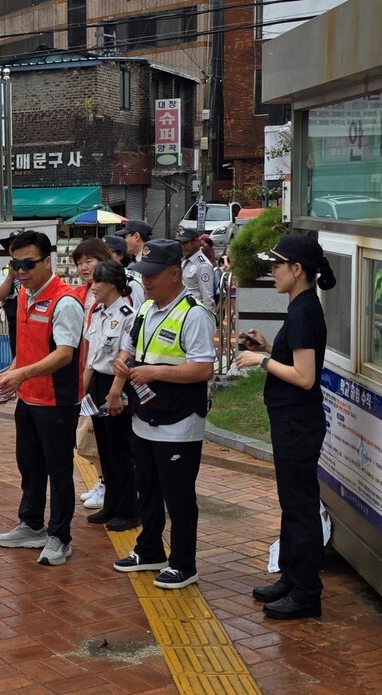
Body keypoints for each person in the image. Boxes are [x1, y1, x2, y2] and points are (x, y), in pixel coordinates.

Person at [235, 235, 336, 619]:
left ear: (297, 270)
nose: (271, 272)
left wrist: (260, 362)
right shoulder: (300, 308)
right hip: (291, 420)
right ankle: (292, 578)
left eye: (277, 265)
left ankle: (307, 592)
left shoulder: (305, 312)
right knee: (292, 504)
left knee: (301, 507)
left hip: (298, 423)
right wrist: (268, 348)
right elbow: (294, 357)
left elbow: (305, 376)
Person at [111, 238, 216, 589]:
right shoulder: (144, 310)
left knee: (179, 496)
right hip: (145, 416)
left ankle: (184, 563)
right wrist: (123, 364)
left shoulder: (194, 314)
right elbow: (129, 350)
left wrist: (153, 372)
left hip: (179, 422)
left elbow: (202, 370)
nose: (147, 280)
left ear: (175, 274)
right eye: (143, 273)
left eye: (154, 274)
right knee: (148, 490)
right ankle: (149, 550)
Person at [0, 230, 84, 567]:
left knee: (59, 471)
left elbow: (63, 354)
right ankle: (31, 524)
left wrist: (21, 375)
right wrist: (11, 372)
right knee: (29, 466)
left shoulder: (66, 301)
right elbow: (29, 349)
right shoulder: (24, 296)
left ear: (48, 261)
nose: (21, 270)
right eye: (15, 264)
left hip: (56, 401)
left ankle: (59, 537)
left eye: (28, 263)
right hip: (28, 399)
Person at [83, 260, 140, 532]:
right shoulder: (97, 312)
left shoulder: (129, 314)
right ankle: (112, 504)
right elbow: (91, 358)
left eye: (98, 281)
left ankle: (129, 510)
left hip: (117, 384)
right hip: (97, 382)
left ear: (114, 285)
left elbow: (125, 357)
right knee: (104, 449)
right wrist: (82, 389)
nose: (92, 287)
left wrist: (116, 392)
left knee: (120, 450)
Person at [71, 237, 112, 511]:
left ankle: (109, 485)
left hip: (104, 373)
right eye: (80, 263)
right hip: (85, 368)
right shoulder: (81, 293)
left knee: (95, 433)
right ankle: (103, 482)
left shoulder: (117, 292)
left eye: (90, 260)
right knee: (89, 435)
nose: (85, 267)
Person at [0, 230, 22, 358]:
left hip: (35, 318)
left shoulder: (35, 267)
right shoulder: (5, 271)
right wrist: (10, 277)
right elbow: (0, 295)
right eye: (13, 246)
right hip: (15, 320)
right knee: (17, 354)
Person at [177, 227, 217, 308]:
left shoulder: (203, 265)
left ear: (196, 242)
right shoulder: (184, 260)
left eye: (185, 243)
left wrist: (207, 317)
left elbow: (207, 297)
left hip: (194, 311)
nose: (182, 247)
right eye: (181, 243)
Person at [103, 234, 145, 308]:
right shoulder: (99, 280)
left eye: (107, 253)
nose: (103, 257)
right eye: (100, 253)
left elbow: (137, 313)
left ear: (121, 255)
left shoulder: (131, 283)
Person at [115, 219, 152, 285]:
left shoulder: (151, 262)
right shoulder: (132, 262)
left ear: (136, 236)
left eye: (125, 237)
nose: (124, 241)